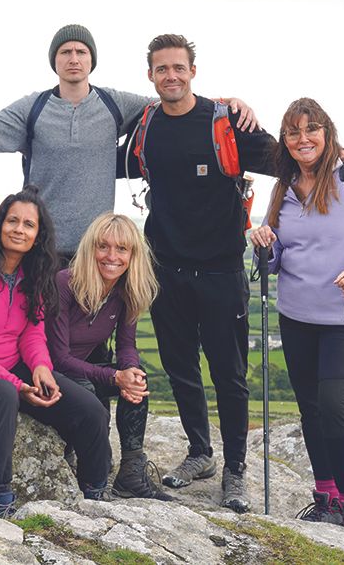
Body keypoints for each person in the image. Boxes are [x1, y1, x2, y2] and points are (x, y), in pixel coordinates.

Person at [119, 33, 277, 513]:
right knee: (181, 368)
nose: (171, 76)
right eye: (161, 69)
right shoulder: (145, 126)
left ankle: (235, 471)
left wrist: (341, 155)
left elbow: (287, 159)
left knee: (229, 376)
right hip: (165, 268)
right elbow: (107, 163)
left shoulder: (224, 121)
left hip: (220, 270)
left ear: (192, 72)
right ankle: (200, 454)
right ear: (150, 76)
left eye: (178, 68)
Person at [0, 24, 257, 261]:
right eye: (65, 52)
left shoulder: (114, 104)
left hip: (96, 253)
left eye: (82, 52)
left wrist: (224, 104)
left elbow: (174, 102)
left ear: (92, 60)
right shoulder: (33, 108)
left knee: (89, 343)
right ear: (54, 60)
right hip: (40, 248)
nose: (74, 58)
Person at [250, 97, 344, 532]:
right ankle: (326, 497)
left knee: (335, 404)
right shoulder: (283, 187)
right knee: (311, 409)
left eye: (311, 129)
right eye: (293, 132)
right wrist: (265, 243)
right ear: (285, 141)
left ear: (327, 133)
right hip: (296, 316)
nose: (303, 139)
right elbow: (275, 260)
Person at [0, 187, 112, 517]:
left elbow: (33, 333)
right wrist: (18, 386)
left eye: (28, 224)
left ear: (37, 235)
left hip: (12, 372)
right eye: (12, 220)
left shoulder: (34, 278)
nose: (19, 229)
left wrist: (41, 368)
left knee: (91, 410)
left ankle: (94, 492)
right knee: (2, 393)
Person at [46, 213, 173, 501]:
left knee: (138, 380)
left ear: (132, 254)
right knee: (89, 391)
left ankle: (130, 472)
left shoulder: (126, 289)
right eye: (103, 246)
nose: (111, 256)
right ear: (91, 248)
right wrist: (114, 376)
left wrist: (129, 373)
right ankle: (89, 476)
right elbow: (58, 357)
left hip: (81, 370)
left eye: (122, 249)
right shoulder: (65, 283)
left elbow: (127, 345)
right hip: (49, 372)